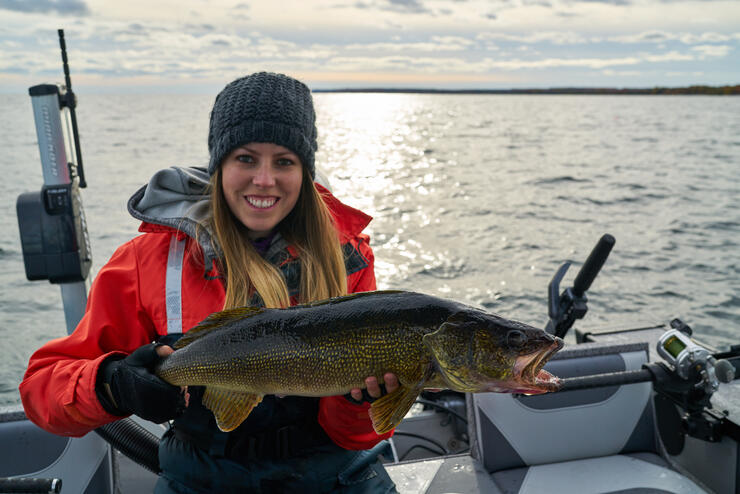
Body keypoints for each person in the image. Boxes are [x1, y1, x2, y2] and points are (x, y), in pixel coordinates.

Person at [20, 72, 399, 493]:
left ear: (305, 170)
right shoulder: (148, 263)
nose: (265, 180)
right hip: (200, 479)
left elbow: (355, 436)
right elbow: (42, 390)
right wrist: (112, 384)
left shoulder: (348, 258)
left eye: (285, 161)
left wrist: (360, 402)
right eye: (246, 158)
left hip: (337, 477)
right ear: (218, 164)